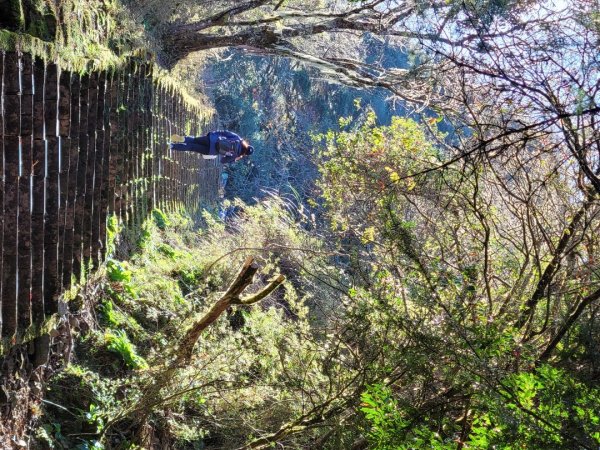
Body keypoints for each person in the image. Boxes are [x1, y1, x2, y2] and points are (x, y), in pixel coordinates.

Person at [169, 130, 254, 164]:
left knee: (194, 139)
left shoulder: (238, 139)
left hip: (212, 139)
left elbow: (225, 132)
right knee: (192, 147)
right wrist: (233, 160)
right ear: (245, 154)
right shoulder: (237, 155)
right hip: (211, 151)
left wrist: (214, 133)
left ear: (247, 144)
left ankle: (183, 139)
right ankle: (172, 146)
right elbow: (223, 161)